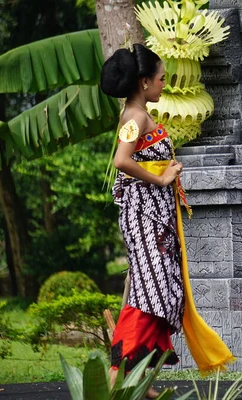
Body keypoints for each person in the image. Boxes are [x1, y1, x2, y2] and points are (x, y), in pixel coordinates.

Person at [100, 43, 234, 397]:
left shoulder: (140, 115)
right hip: (144, 218)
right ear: (144, 82)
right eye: (161, 79)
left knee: (159, 293)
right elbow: (121, 161)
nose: (165, 84)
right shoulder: (133, 117)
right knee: (150, 293)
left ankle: (139, 382)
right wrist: (161, 178)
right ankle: (119, 375)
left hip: (156, 219)